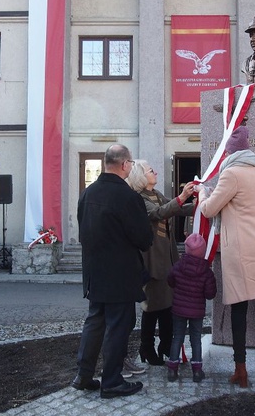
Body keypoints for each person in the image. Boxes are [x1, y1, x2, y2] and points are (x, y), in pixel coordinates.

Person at [198, 126, 255, 389]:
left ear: (230, 151)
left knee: (239, 310)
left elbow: (209, 209)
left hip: (241, 250)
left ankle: (241, 371)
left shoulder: (231, 174)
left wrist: (203, 192)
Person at [71, 144, 153, 399]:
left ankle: (83, 376)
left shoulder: (88, 193)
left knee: (95, 322)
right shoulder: (128, 197)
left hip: (95, 272)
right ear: (125, 165)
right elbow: (143, 238)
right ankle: (112, 381)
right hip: (120, 274)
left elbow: (82, 229)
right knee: (118, 326)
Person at [125, 159, 195, 367]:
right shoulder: (139, 198)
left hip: (168, 256)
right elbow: (159, 213)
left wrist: (203, 204)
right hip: (152, 258)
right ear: (140, 176)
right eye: (150, 170)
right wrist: (182, 197)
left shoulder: (156, 195)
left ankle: (165, 345)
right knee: (152, 306)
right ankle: (146, 347)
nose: (154, 172)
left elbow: (176, 208)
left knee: (168, 305)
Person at [165, 233, 217, 383]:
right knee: (196, 339)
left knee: (177, 337)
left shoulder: (178, 266)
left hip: (178, 309)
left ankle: (172, 369)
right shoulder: (207, 272)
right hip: (197, 311)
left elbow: (170, 280)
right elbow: (209, 294)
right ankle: (197, 371)